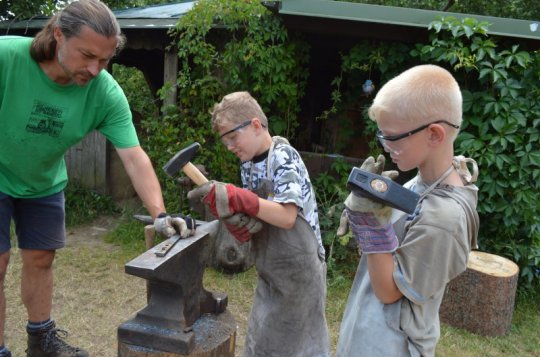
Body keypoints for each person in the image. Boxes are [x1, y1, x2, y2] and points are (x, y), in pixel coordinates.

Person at [0, 1, 193, 356]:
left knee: (42, 259)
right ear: (59, 35)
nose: (94, 69)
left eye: (104, 60)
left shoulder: (105, 93)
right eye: (87, 55)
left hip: (43, 182)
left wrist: (160, 214)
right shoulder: (7, 57)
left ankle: (41, 342)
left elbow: (134, 157)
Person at [335, 64, 480, 356]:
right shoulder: (426, 179)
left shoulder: (445, 220)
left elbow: (389, 291)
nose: (385, 146)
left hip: (392, 346)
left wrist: (370, 225)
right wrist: (376, 201)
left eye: (392, 137)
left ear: (435, 135)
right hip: (370, 333)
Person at [187, 91, 330, 357]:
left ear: (255, 124)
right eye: (225, 141)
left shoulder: (284, 156)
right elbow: (261, 215)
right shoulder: (248, 165)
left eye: (233, 137)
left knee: (296, 347)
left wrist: (241, 199)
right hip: (270, 270)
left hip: (301, 275)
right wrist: (237, 220)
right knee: (261, 341)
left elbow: (287, 217)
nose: (230, 146)